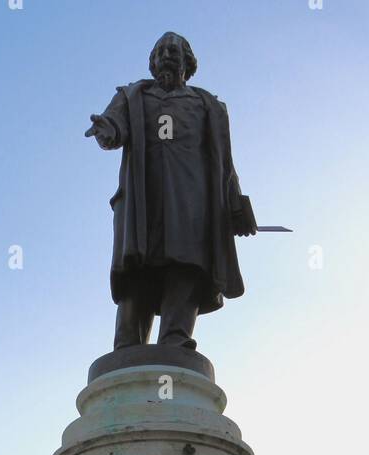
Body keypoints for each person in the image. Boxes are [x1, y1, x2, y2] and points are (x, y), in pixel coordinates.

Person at [85, 32, 256, 352]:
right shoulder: (132, 96)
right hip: (143, 199)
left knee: (187, 262)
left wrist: (236, 205)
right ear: (152, 62)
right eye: (160, 51)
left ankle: (175, 340)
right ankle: (127, 348)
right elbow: (113, 127)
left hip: (193, 198)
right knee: (138, 267)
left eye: (174, 51)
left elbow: (225, 163)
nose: (166, 55)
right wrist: (105, 131)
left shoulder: (209, 106)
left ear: (188, 62)